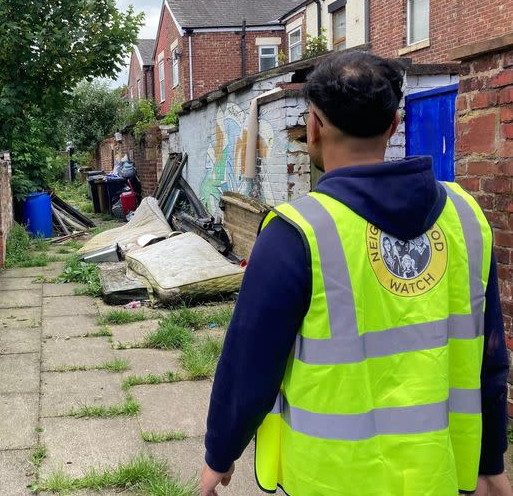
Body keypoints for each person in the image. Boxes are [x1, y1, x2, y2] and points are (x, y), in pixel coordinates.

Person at [200, 52, 511, 496]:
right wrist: (491, 461)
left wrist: (219, 454)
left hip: (331, 477)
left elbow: (249, 362)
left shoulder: (296, 232)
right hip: (439, 472)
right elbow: (491, 356)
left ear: (313, 126)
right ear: (393, 125)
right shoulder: (465, 218)